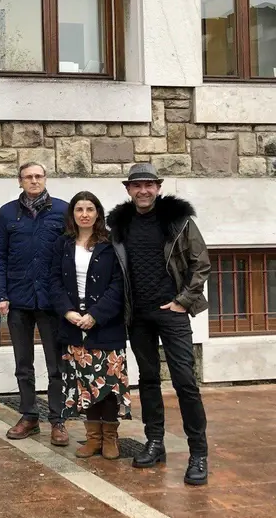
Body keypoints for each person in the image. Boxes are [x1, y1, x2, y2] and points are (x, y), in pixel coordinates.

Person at [107, 163, 211, 486]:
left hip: (173, 312)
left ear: (158, 187)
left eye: (149, 185)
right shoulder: (120, 227)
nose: (143, 191)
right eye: (137, 186)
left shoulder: (178, 220)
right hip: (138, 315)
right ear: (128, 190)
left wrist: (184, 300)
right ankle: (155, 442)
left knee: (185, 382)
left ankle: (199, 453)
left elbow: (201, 263)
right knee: (149, 380)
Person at [0, 162, 69, 445]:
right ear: (20, 181)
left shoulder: (63, 210)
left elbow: (70, 255)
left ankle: (58, 419)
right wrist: (0, 295)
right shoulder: (7, 213)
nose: (34, 180)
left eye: (38, 176)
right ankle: (29, 415)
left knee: (56, 364)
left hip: (51, 301)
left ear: (45, 179)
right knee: (23, 363)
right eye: (28, 177)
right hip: (19, 300)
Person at [50, 192, 130, 460]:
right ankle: (93, 438)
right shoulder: (63, 243)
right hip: (74, 324)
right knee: (84, 384)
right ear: (72, 214)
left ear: (98, 213)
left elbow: (119, 285)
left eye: (90, 209)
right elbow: (54, 281)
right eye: (79, 209)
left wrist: (95, 315)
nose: (84, 214)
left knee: (106, 386)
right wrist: (68, 312)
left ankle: (110, 438)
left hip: (104, 324)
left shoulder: (111, 242)